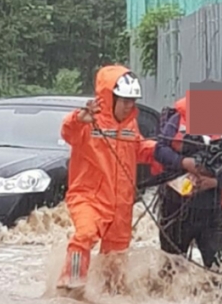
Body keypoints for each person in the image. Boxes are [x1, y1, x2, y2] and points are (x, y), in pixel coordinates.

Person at [56, 65, 162, 292]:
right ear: (110, 97)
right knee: (83, 236)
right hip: (89, 196)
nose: (129, 106)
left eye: (132, 101)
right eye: (124, 100)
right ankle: (71, 287)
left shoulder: (130, 124)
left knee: (116, 255)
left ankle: (111, 293)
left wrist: (159, 150)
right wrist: (78, 118)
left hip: (121, 203)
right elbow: (67, 131)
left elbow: (138, 149)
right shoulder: (87, 122)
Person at [154, 96, 222, 268]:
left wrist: (216, 181)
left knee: (217, 272)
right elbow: (159, 150)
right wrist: (183, 163)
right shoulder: (176, 121)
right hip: (175, 208)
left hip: (210, 211)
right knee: (171, 269)